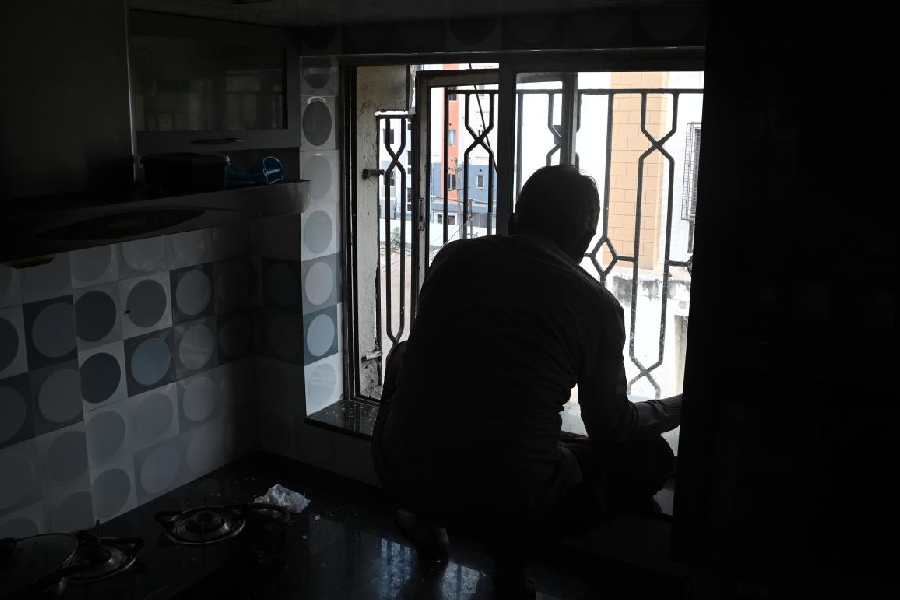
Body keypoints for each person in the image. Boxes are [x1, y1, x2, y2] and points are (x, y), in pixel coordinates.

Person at [372, 165, 682, 589]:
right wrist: (680, 405)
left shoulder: (452, 258)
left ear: (516, 217)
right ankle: (511, 560)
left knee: (404, 356)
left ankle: (427, 516)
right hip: (511, 499)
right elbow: (613, 427)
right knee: (652, 458)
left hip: (402, 472)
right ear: (585, 241)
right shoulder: (597, 306)